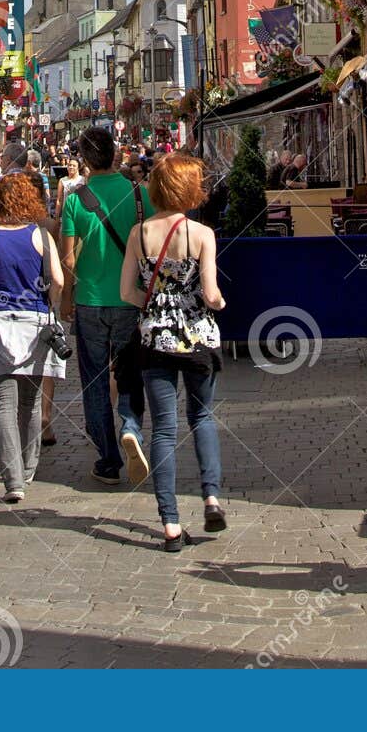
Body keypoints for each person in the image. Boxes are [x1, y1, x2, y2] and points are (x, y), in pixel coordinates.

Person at [120, 152, 226, 550]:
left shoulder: (139, 233)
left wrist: (153, 307)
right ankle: (211, 497)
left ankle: (169, 524)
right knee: (202, 417)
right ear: (190, 189)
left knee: (164, 429)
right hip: (198, 339)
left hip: (154, 340)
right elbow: (211, 293)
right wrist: (216, 304)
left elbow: (126, 291)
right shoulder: (201, 234)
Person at [0, 173, 67, 503]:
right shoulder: (41, 236)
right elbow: (58, 280)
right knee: (30, 402)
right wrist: (49, 303)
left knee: (3, 405)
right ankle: (29, 467)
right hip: (35, 323)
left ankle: (13, 481)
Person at [61, 126, 148, 486]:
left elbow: (68, 260)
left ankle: (108, 459)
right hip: (131, 299)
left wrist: (66, 302)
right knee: (130, 372)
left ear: (84, 159)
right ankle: (129, 425)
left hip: (90, 301)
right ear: (115, 153)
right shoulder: (140, 193)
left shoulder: (74, 200)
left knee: (95, 381)